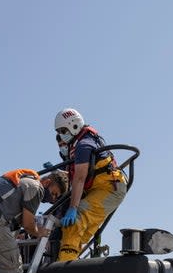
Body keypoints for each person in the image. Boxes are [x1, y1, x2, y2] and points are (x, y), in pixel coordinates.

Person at [53, 108, 128, 261]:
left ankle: (64, 265)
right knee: (76, 229)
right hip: (98, 188)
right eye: (59, 131)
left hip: (110, 188)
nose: (61, 134)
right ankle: (70, 259)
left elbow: (79, 178)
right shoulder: (81, 144)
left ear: (74, 125)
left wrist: (73, 208)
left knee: (76, 220)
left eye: (63, 130)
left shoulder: (83, 145)